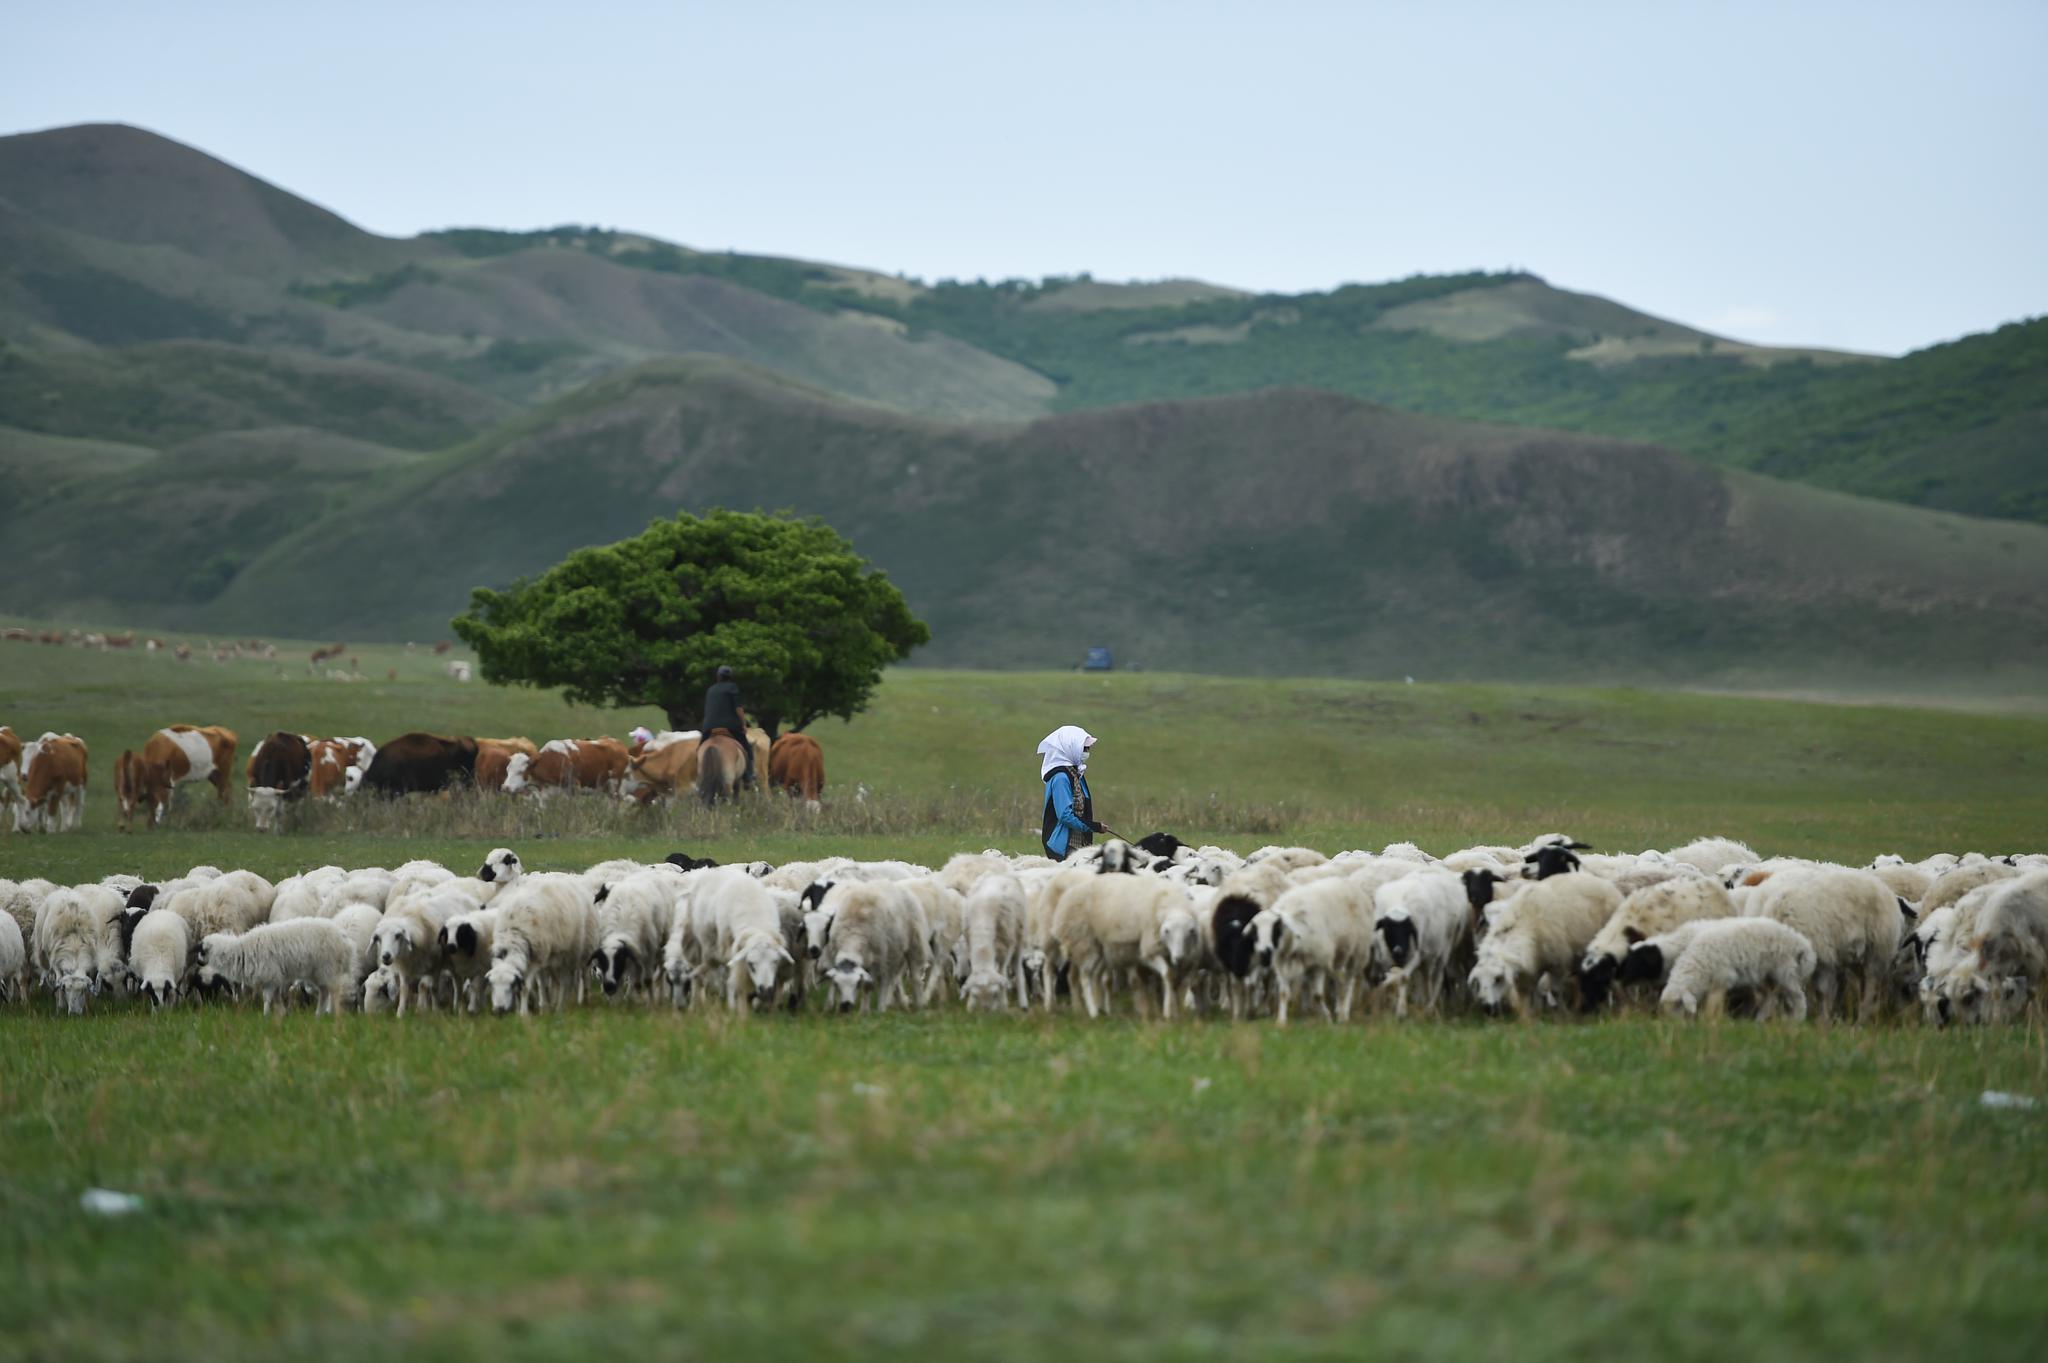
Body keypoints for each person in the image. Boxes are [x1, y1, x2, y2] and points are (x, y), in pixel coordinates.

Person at [1038, 725, 1106, 860]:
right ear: (1069, 747)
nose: (1087, 752)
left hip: (1078, 843)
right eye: (1084, 748)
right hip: (1062, 846)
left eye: (1088, 748)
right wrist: (1094, 826)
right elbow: (1065, 815)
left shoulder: (1076, 774)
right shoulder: (1061, 778)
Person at [701, 665, 756, 789]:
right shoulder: (732, 687)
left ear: (718, 676)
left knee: (699, 748)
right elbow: (738, 708)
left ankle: (696, 773)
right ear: (730, 677)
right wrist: (743, 724)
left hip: (709, 726)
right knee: (747, 747)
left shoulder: (710, 690)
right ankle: (748, 776)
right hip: (730, 726)